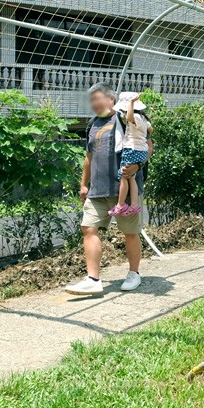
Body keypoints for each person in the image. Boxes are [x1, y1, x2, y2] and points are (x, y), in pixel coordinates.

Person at [65, 83, 145, 295]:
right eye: (91, 100)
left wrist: (138, 165)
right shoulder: (92, 124)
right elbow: (89, 156)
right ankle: (93, 279)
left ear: (111, 98)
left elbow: (147, 143)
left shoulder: (124, 117)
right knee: (88, 228)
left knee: (130, 232)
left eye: (98, 98)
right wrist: (84, 184)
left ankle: (134, 273)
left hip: (124, 188)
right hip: (97, 189)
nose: (94, 103)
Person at [111, 92, 152, 219]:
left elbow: (129, 118)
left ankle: (120, 204)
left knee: (124, 176)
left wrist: (131, 103)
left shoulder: (135, 116)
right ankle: (134, 205)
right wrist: (143, 134)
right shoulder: (144, 119)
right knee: (131, 178)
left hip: (132, 149)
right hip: (141, 150)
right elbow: (151, 130)